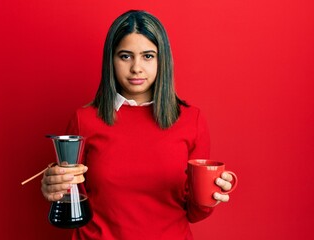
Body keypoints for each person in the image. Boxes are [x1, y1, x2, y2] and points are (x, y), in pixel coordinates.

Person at [41, 10, 236, 240]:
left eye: (148, 56)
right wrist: (53, 187)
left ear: (162, 59)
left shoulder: (191, 120)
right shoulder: (84, 120)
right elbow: (70, 193)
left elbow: (194, 213)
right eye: (125, 56)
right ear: (110, 60)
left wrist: (210, 196)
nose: (136, 67)